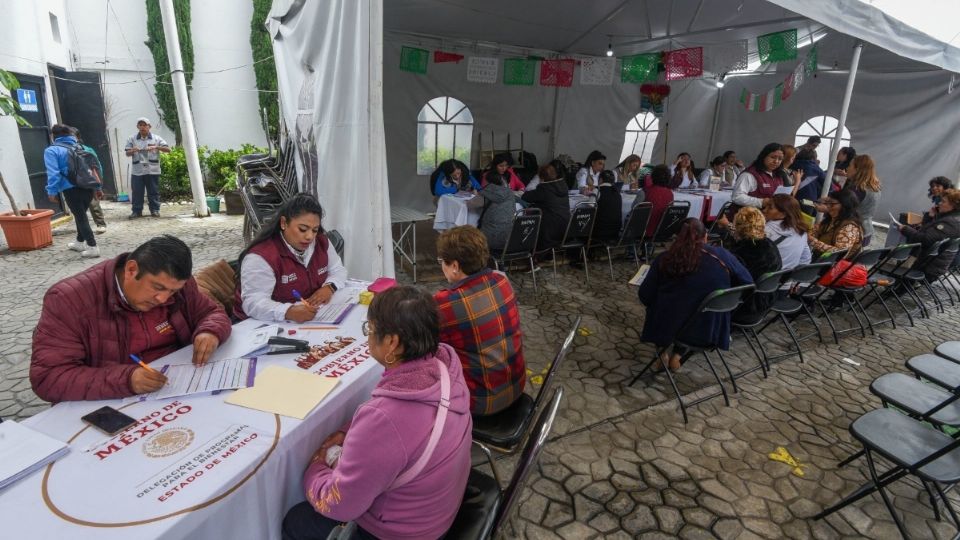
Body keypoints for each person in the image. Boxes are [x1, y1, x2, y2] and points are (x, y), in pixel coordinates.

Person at [282, 286, 472, 540]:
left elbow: (340, 505)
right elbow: (394, 432)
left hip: (404, 532)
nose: (368, 337)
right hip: (437, 510)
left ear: (392, 343)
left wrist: (315, 467)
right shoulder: (446, 366)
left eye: (369, 331)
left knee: (296, 520)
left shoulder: (385, 418)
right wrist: (345, 431)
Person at [30, 235, 232, 402]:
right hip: (113, 400)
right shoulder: (69, 299)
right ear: (131, 270)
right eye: (157, 288)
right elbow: (48, 378)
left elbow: (212, 313)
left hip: (181, 387)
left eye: (172, 291)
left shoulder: (179, 286)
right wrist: (127, 380)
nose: (163, 299)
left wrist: (210, 331)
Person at [637, 218, 753, 371]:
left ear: (676, 238)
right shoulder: (723, 256)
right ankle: (678, 355)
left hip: (668, 327)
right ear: (705, 236)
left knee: (668, 306)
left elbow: (645, 295)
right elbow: (748, 282)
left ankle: (662, 350)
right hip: (710, 329)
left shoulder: (665, 259)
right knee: (692, 307)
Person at [434, 226, 525, 416]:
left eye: (442, 261)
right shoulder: (502, 280)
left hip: (481, 402)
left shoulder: (446, 303)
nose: (441, 265)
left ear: (455, 266)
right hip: (516, 386)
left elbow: (425, 346)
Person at [234, 194, 347, 322]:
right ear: (283, 223)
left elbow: (338, 270)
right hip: (260, 325)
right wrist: (287, 311)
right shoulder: (261, 256)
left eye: (315, 230)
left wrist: (329, 287)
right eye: (302, 229)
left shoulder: (321, 241)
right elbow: (253, 302)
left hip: (309, 315)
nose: (310, 236)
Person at [44, 124, 103, 259]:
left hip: (70, 188)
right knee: (80, 214)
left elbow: (53, 173)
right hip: (88, 186)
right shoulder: (82, 147)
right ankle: (79, 242)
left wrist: (52, 191)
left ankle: (93, 247)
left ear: (53, 136)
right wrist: (98, 187)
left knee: (81, 217)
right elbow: (95, 168)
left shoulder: (52, 150)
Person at [728, 208, 781, 323]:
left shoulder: (742, 252)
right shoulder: (770, 245)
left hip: (742, 309)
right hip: (766, 304)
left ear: (738, 227)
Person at [899, 188, 960, 281]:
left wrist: (905, 229)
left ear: (954, 206)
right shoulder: (952, 218)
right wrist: (931, 216)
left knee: (891, 255)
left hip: (927, 267)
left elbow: (924, 239)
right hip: (934, 263)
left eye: (943, 202)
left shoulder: (949, 223)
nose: (939, 203)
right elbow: (927, 232)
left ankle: (895, 287)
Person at [124, 117, 170, 218]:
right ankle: (136, 211)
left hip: (152, 170)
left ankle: (155, 210)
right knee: (137, 192)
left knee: (153, 191)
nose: (142, 127)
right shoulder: (132, 138)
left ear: (149, 126)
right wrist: (133, 150)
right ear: (137, 127)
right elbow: (127, 153)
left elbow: (168, 149)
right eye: (140, 125)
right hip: (138, 170)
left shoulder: (156, 138)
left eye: (145, 125)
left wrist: (156, 147)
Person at [521, 162, 570, 249]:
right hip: (565, 227)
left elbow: (526, 197)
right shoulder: (563, 185)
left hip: (549, 230)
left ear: (541, 177)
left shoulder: (544, 188)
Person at [469, 169, 516, 251]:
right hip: (508, 238)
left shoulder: (486, 192)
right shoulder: (511, 193)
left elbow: (470, 204)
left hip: (488, 238)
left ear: (488, 181)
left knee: (469, 232)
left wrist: (476, 194)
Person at [808, 189, 863, 258]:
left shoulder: (849, 227)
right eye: (828, 203)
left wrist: (813, 241)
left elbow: (839, 252)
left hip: (834, 265)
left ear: (844, 206)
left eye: (832, 204)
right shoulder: (832, 219)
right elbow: (815, 230)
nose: (828, 206)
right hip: (823, 259)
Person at [762, 194, 812, 270]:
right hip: (783, 279)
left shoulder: (764, 231)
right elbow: (805, 260)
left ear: (783, 214)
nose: (764, 210)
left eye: (770, 208)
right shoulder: (801, 232)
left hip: (761, 278)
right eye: (766, 206)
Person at [73, 128, 108, 234]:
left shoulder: (88, 150)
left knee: (94, 203)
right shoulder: (68, 151)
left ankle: (101, 224)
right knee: (77, 206)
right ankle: (82, 228)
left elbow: (96, 166)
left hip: (90, 179)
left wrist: (98, 181)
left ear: (78, 138)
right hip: (75, 181)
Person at [731, 143, 786, 210]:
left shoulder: (778, 175)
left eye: (780, 159)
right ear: (764, 156)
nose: (776, 161)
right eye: (772, 157)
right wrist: (760, 202)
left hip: (769, 216)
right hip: (748, 217)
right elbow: (737, 197)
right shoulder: (749, 174)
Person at [842, 154, 881, 246]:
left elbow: (842, 211)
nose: (847, 168)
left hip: (852, 231)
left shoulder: (857, 189)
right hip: (866, 230)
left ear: (857, 169)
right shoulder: (875, 187)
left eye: (850, 165)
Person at [642, 164, 675, 237]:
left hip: (644, 228)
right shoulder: (670, 193)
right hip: (661, 230)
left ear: (653, 176)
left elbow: (634, 208)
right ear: (668, 178)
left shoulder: (645, 191)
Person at [593, 170, 622, 241]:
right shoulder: (618, 193)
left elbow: (590, 208)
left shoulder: (597, 191)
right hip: (615, 231)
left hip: (600, 231)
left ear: (600, 179)